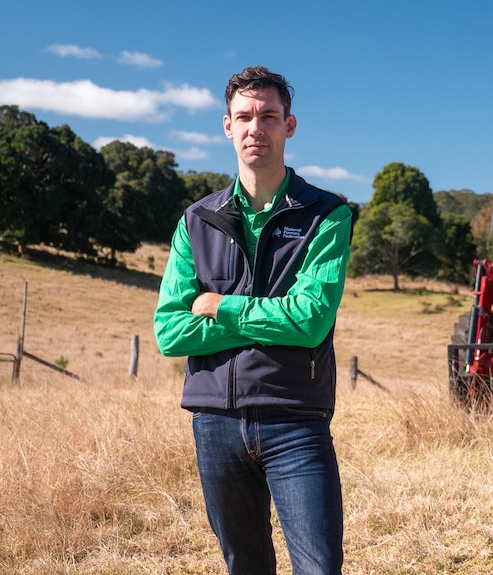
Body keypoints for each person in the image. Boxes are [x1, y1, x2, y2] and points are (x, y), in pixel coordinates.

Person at [154, 65, 352, 575]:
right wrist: (269, 316)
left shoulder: (326, 215)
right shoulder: (195, 221)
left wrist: (222, 305)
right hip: (214, 422)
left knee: (319, 568)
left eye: (268, 116)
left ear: (289, 125)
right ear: (227, 126)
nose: (254, 128)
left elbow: (309, 321)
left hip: (296, 419)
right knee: (246, 567)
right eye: (244, 117)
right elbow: (170, 330)